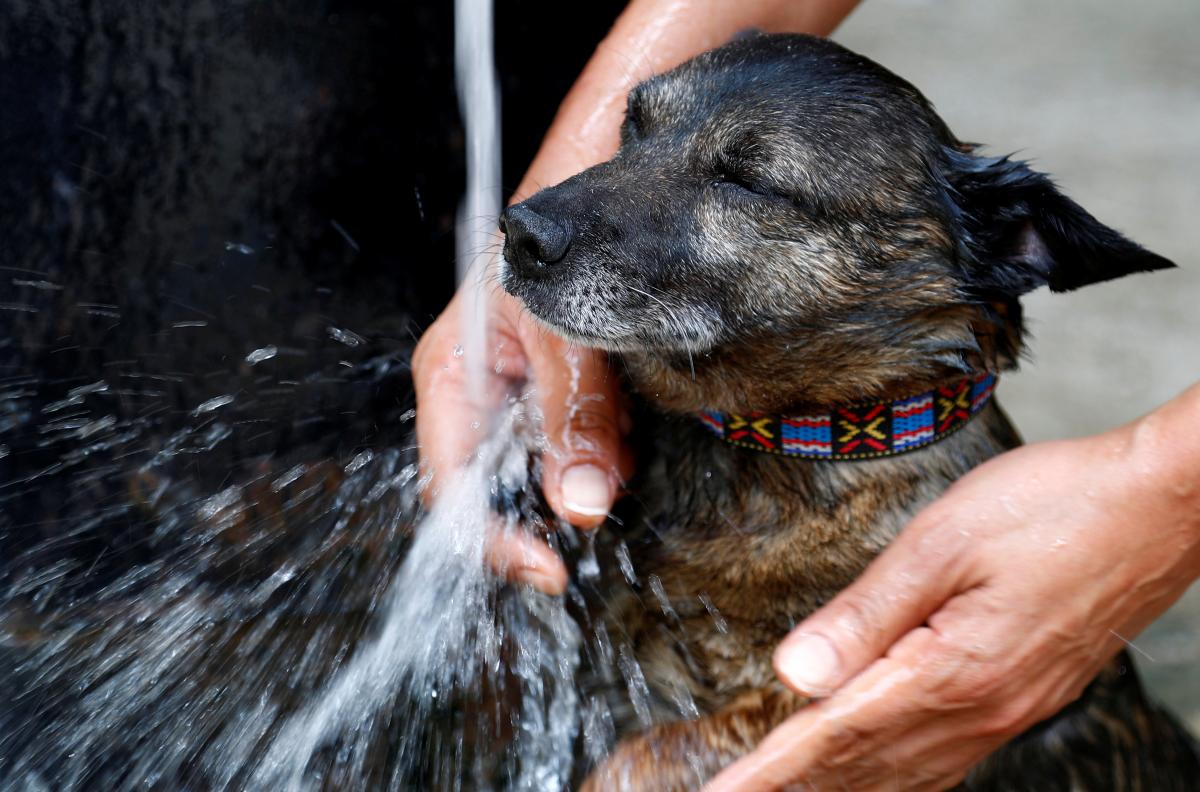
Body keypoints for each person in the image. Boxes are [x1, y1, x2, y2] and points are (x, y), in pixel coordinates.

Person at [412, 0, 1200, 788]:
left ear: (1003, 249)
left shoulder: (940, 533)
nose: (534, 222)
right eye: (643, 129)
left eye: (746, 183)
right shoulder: (637, 401)